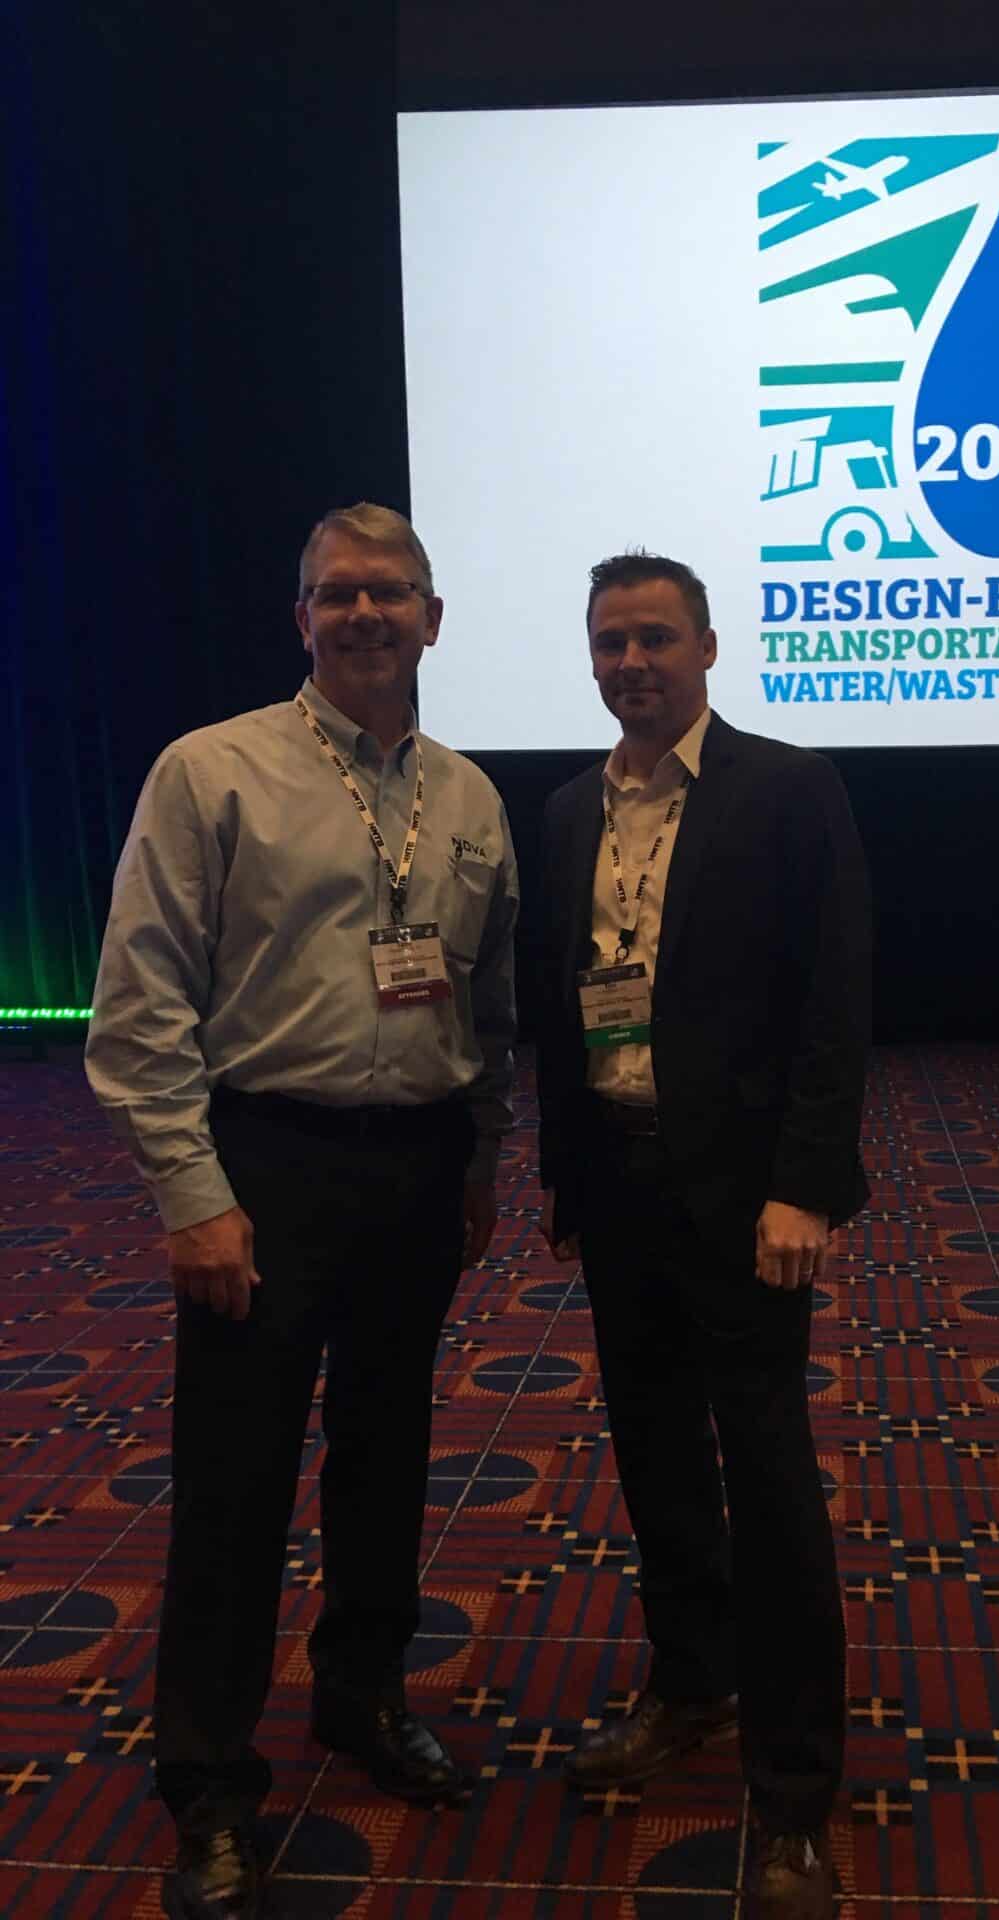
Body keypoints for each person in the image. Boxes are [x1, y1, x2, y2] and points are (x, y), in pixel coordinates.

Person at [85, 503, 518, 1920]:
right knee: (235, 1486)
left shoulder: (466, 796)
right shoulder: (208, 772)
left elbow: (486, 1001)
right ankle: (208, 1784)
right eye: (337, 594)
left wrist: (480, 1157)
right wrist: (193, 1199)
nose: (365, 616)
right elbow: (139, 1010)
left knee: (389, 1460)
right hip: (261, 1167)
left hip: (414, 1170)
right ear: (302, 619)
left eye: (391, 593)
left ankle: (361, 1699)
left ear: (434, 620)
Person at [535, 552, 869, 1920]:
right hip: (618, 1190)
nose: (631, 662)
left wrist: (809, 1188)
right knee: (658, 1459)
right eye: (610, 641)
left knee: (771, 1483)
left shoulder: (788, 790)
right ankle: (690, 1687)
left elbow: (832, 1004)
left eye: (655, 637)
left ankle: (794, 1791)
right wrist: (561, 1177)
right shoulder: (564, 812)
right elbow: (555, 1009)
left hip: (745, 1206)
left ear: (711, 647)